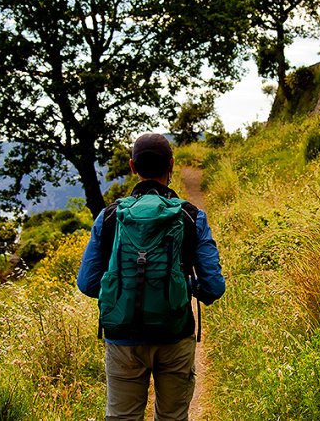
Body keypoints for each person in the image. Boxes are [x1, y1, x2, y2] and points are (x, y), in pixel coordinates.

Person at [77, 133, 226, 421]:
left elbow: (87, 283)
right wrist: (182, 285)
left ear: (133, 167)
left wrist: (122, 289)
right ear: (171, 164)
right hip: (174, 333)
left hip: (122, 338)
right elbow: (213, 287)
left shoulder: (109, 216)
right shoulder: (192, 216)